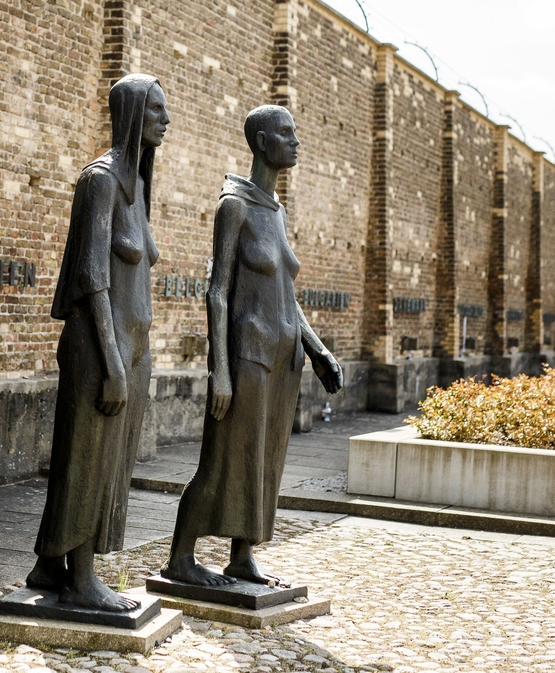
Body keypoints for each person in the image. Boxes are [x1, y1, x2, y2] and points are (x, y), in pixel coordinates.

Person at [162, 104, 342, 587]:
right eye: (286, 133)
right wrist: (219, 369)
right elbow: (217, 289)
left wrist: (317, 349)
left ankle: (242, 556)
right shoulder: (234, 205)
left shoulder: (276, 211)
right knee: (222, 459)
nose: (295, 141)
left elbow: (286, 292)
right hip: (247, 356)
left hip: (285, 362)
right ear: (262, 143)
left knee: (265, 461)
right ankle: (180, 557)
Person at [28, 74, 169, 611]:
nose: (165, 120)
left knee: (108, 463)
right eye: (155, 110)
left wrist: (133, 356)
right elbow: (91, 278)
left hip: (130, 349)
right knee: (87, 462)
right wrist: (112, 362)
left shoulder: (135, 186)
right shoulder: (100, 180)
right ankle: (81, 581)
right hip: (98, 348)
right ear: (133, 114)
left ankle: (49, 566)